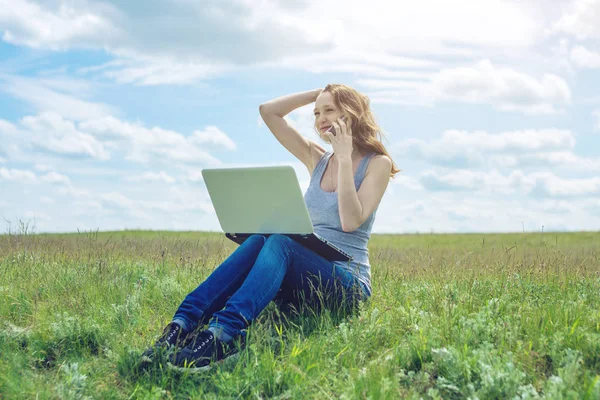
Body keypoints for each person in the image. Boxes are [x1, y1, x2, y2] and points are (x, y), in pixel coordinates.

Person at [140, 84, 400, 372]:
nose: (320, 118)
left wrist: (343, 158)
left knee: (282, 240)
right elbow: (269, 112)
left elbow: (351, 221)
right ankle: (181, 326)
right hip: (303, 274)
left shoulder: (377, 164)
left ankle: (223, 335)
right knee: (261, 237)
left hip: (347, 283)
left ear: (351, 114)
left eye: (329, 110)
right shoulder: (317, 158)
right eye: (316, 113)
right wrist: (317, 93)